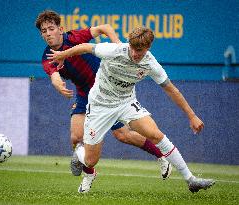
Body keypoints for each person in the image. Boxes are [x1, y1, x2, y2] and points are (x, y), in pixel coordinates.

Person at [47, 27, 216, 194]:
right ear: (129, 44)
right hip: (99, 105)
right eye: (132, 48)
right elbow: (85, 47)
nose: (135, 53)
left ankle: (191, 180)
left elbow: (171, 89)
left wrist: (192, 115)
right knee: (90, 161)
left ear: (148, 48)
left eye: (140, 50)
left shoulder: (150, 64)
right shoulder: (114, 50)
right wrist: (62, 55)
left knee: (156, 134)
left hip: (125, 103)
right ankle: (79, 154)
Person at [35, 10, 172, 179]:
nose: (48, 33)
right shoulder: (47, 56)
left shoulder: (73, 38)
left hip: (105, 91)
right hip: (84, 93)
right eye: (44, 31)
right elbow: (54, 76)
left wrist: (118, 47)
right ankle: (90, 173)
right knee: (76, 137)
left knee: (123, 135)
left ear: (60, 29)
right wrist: (58, 85)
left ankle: (161, 155)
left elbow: (105, 27)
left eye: (51, 28)